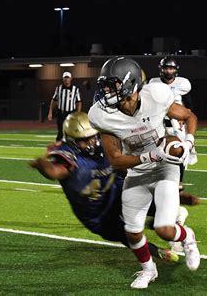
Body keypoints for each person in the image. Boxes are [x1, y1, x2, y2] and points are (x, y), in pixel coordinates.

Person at [88, 56, 200, 289]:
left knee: (164, 228)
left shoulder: (156, 95)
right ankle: (149, 269)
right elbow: (116, 161)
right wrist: (149, 156)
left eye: (113, 84)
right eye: (105, 85)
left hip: (165, 167)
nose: (107, 90)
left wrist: (188, 143)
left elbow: (189, 116)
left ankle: (186, 236)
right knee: (132, 231)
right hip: (137, 171)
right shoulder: (102, 115)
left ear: (130, 84)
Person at [29, 112, 179, 264]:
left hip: (114, 191)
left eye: (93, 136)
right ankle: (156, 251)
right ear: (72, 140)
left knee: (150, 199)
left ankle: (166, 223)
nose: (91, 143)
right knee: (125, 234)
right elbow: (54, 171)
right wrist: (41, 163)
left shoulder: (104, 142)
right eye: (84, 140)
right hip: (96, 212)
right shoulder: (69, 154)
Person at [149, 56, 199, 206]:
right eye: (166, 68)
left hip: (178, 125)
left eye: (171, 68)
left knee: (182, 154)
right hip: (159, 125)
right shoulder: (153, 83)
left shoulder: (183, 84)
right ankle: (158, 183)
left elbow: (190, 106)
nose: (168, 71)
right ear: (161, 69)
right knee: (157, 153)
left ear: (175, 70)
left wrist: (184, 116)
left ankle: (178, 183)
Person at [47, 71, 82, 142]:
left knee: (70, 131)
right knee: (60, 130)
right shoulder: (58, 88)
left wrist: (78, 113)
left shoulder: (75, 89)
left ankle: (70, 147)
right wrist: (50, 112)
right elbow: (54, 100)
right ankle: (58, 148)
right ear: (63, 79)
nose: (66, 79)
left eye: (68, 77)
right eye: (65, 78)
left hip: (70, 113)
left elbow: (78, 102)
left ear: (71, 78)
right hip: (61, 113)